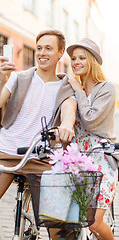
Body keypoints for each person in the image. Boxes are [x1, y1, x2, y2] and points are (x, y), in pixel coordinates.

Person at [0, 29, 77, 240]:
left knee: (61, 232)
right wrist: (0, 81)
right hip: (6, 155)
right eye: (39, 48)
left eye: (48, 48)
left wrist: (67, 125)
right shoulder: (18, 78)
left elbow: (69, 111)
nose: (42, 53)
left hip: (43, 159)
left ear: (60, 53)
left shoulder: (66, 85)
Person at [66, 38, 118, 240]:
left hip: (102, 162)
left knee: (95, 222)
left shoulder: (107, 88)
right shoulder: (71, 89)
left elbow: (91, 121)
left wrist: (78, 91)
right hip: (78, 162)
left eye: (82, 58)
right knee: (73, 221)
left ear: (93, 61)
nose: (76, 62)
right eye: (73, 58)